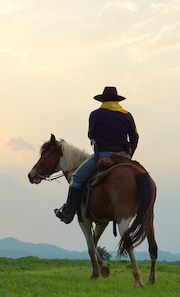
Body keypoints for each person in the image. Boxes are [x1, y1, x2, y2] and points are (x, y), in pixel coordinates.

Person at [54, 86, 139, 224]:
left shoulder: (95, 114)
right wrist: (129, 155)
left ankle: (68, 213)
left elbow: (91, 135)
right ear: (117, 100)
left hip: (103, 155)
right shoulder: (127, 115)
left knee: (76, 178)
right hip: (124, 157)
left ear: (103, 99)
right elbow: (134, 138)